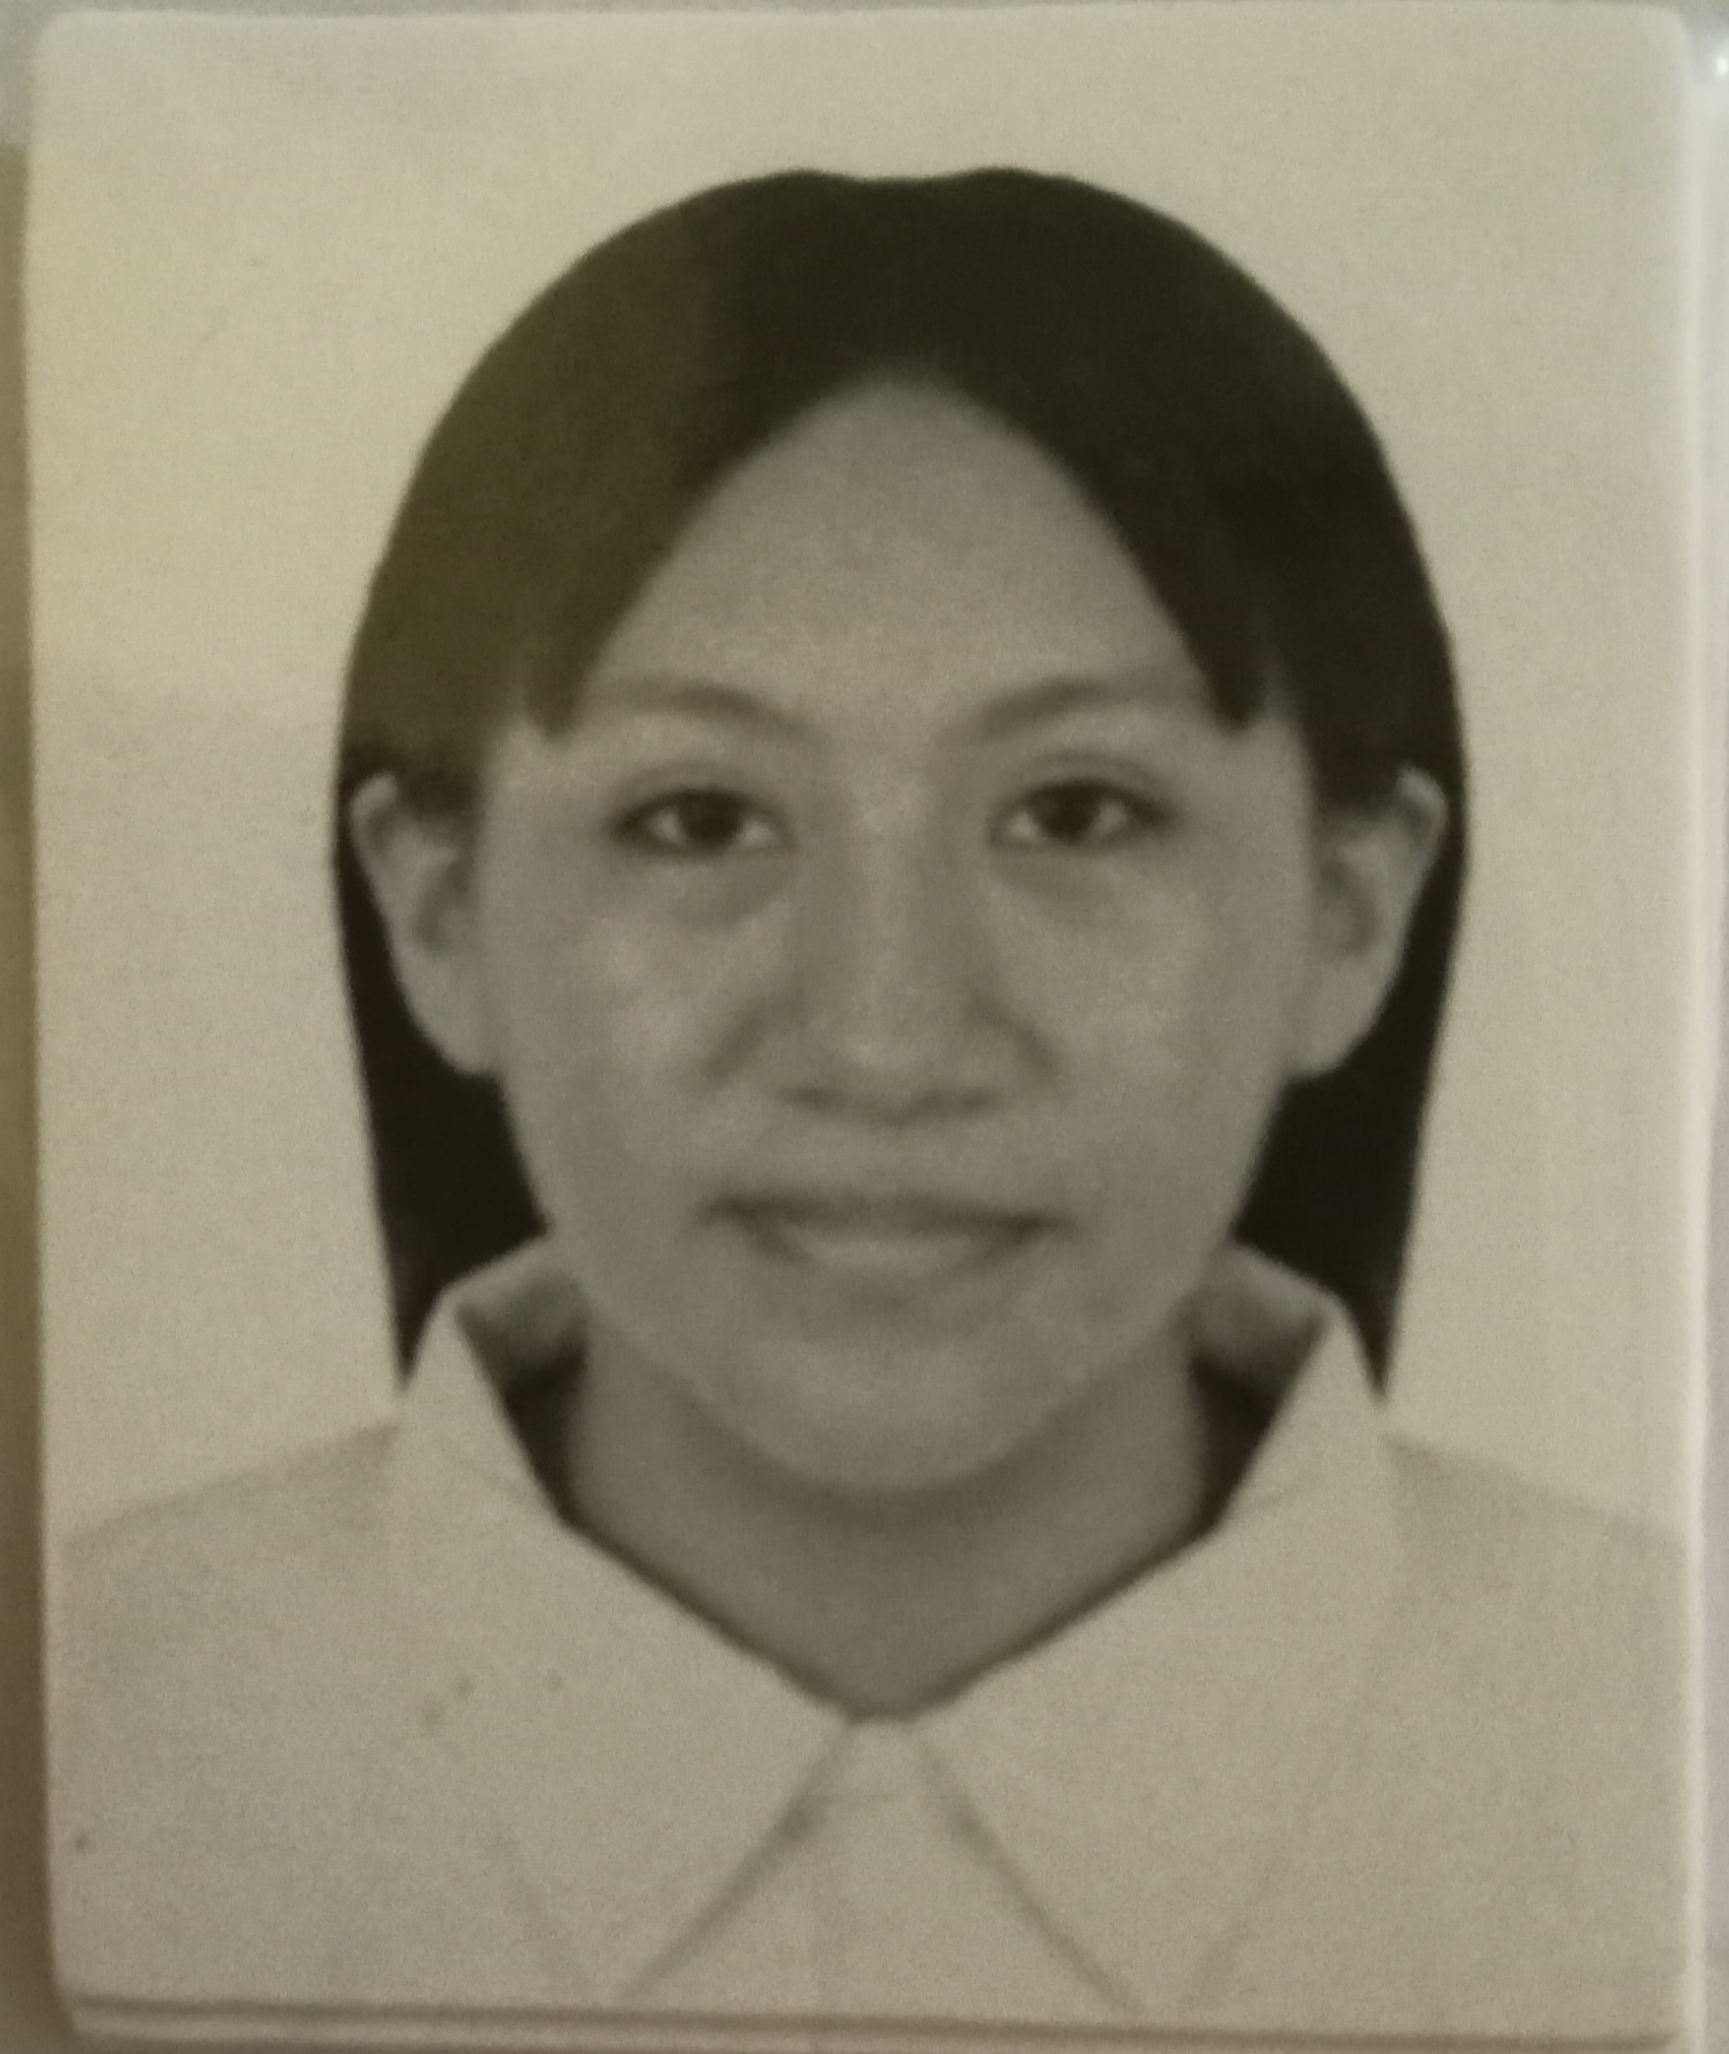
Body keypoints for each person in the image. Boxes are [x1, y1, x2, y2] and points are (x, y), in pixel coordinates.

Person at [52, 170, 1683, 2043]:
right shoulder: (92, 1716)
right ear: (437, 913)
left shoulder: (1659, 1738)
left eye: (1074, 811)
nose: (887, 1041)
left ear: (1348, 910)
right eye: (699, 817)